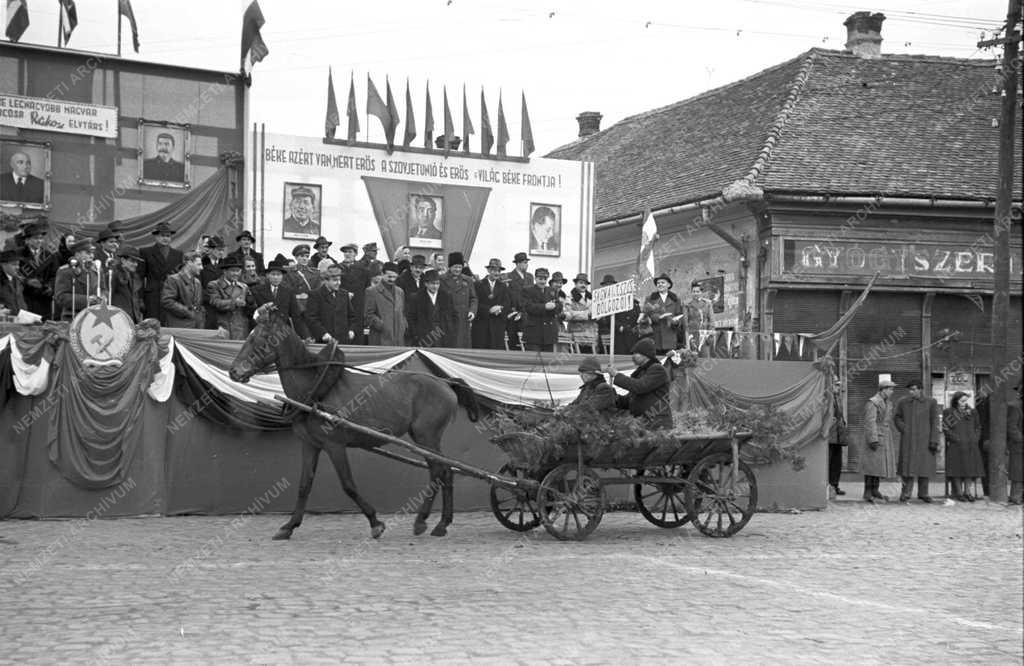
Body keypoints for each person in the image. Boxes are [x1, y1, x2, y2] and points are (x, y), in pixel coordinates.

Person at [607, 338, 672, 429]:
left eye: (636, 353)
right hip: (642, 422)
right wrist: (614, 397)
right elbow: (630, 400)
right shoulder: (640, 372)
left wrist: (616, 375)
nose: (633, 356)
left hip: (657, 423)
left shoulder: (657, 369)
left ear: (645, 355)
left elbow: (640, 387)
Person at [894, 379, 940, 503]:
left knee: (924, 467)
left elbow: (935, 421)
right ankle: (906, 493)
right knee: (907, 467)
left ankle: (923, 493)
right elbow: (897, 417)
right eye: (910, 389)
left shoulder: (931, 402)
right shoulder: (902, 402)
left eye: (914, 389)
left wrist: (934, 440)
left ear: (920, 389)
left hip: (925, 440)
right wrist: (904, 428)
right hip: (908, 440)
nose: (911, 392)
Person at [858, 378, 898, 503]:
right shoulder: (873, 402)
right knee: (872, 466)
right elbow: (870, 422)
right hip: (875, 436)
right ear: (883, 390)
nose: (892, 391)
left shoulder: (888, 403)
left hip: (885, 435)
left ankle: (875, 490)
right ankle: (868, 492)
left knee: (879, 466)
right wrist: (873, 439)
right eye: (890, 389)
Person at [942, 391, 983, 502]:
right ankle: (959, 493)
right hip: (957, 445)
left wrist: (975, 439)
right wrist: (956, 439)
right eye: (962, 401)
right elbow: (946, 428)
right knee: (957, 469)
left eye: (966, 401)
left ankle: (967, 492)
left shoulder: (973, 412)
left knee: (970, 469)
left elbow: (978, 427)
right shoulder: (949, 412)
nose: (964, 403)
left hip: (971, 445)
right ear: (956, 401)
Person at [140, 222, 184, 325]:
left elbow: (180, 278)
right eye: (162, 235)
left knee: (170, 324)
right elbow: (140, 277)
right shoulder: (145, 252)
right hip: (152, 296)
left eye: (168, 236)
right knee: (151, 325)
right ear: (155, 236)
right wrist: (140, 298)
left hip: (171, 296)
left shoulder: (178, 254)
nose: (165, 238)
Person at [305, 263, 357, 344]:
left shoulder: (344, 294)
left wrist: (351, 330)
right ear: (326, 281)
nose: (339, 283)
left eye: (339, 280)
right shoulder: (315, 295)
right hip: (324, 341)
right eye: (335, 280)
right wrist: (323, 333)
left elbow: (351, 316)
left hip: (343, 341)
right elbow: (311, 319)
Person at [53, 238, 103, 321]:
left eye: (92, 253)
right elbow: (61, 297)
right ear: (77, 254)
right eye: (88, 253)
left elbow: (104, 288)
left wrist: (103, 297)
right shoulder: (65, 271)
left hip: (95, 317)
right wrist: (87, 300)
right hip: (73, 317)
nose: (92, 256)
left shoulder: (97, 269)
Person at [204, 256, 251, 339]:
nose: (236, 273)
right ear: (225, 271)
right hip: (221, 328)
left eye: (238, 271)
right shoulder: (213, 285)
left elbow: (249, 309)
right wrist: (234, 302)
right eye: (233, 271)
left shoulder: (244, 287)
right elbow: (216, 303)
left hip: (239, 330)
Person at [407, 269, 456, 347]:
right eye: (432, 284)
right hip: (424, 337)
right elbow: (411, 318)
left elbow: (453, 315)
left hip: (442, 335)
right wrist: (416, 334)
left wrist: (449, 331)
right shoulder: (416, 297)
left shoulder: (446, 296)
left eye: (437, 284)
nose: (435, 286)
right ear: (426, 284)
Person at [18, 222, 57, 319]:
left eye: (41, 238)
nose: (39, 241)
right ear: (27, 240)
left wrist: (50, 286)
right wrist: (27, 281)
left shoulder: (49, 255)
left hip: (44, 298)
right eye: (36, 238)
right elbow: (14, 274)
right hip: (26, 297)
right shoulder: (19, 255)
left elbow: (55, 275)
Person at [472, 258, 512, 350]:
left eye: (498, 271)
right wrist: (489, 310)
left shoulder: (503, 286)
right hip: (481, 326)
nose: (496, 273)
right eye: (494, 270)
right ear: (488, 270)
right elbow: (475, 303)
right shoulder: (478, 285)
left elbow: (507, 303)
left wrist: (500, 308)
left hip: (497, 326)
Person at [440, 252, 477, 349]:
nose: (457, 269)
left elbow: (473, 298)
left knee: (463, 346)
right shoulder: (441, 279)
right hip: (447, 320)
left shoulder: (468, 280)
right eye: (455, 267)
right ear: (450, 267)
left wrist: (472, 311)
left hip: (464, 319)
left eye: (460, 267)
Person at [364, 262, 406, 346]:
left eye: (394, 277)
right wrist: (383, 326)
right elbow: (368, 315)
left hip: (398, 339)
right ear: (382, 274)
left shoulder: (400, 292)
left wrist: (403, 325)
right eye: (389, 276)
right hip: (381, 338)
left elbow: (402, 312)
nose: (392, 279)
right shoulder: (372, 291)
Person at [161, 252, 205, 329]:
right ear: (189, 263)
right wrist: (188, 312)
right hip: (179, 327)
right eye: (199, 264)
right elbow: (167, 301)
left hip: (196, 327)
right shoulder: (173, 279)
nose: (202, 268)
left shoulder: (197, 282)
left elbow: (198, 306)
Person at [521, 267, 561, 352]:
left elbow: (559, 306)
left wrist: (554, 306)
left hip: (549, 333)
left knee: (547, 361)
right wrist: (544, 307)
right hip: (534, 333)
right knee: (534, 361)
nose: (543, 281)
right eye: (540, 279)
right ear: (535, 278)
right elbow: (528, 307)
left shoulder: (552, 291)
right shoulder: (527, 290)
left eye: (545, 279)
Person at [642, 273, 682, 354]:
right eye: (658, 283)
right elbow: (646, 315)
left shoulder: (676, 299)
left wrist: (676, 322)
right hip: (655, 337)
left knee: (670, 362)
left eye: (663, 282)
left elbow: (679, 315)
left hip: (670, 336)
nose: (660, 284)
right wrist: (658, 317)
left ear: (668, 285)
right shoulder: (650, 298)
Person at [109, 245, 145, 323]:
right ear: (123, 260)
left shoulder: (134, 276)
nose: (136, 264)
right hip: (118, 319)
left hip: (132, 320)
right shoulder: (113, 275)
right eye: (132, 261)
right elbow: (108, 298)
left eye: (136, 262)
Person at [504, 252, 533, 348]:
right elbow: (510, 296)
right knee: (514, 340)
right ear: (517, 263)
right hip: (514, 311)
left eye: (526, 262)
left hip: (527, 311)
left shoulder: (529, 277)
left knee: (527, 340)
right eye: (524, 262)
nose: (526, 265)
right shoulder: (509, 276)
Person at [827, 377, 849, 496]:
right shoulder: (826, 398)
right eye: (836, 385)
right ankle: (827, 487)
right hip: (829, 435)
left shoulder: (838, 398)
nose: (838, 387)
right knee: (828, 462)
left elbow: (841, 416)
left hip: (838, 435)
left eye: (839, 385)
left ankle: (835, 486)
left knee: (837, 462)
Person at [1008, 384, 1023, 505]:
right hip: (1019, 445)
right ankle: (1015, 496)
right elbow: (1012, 428)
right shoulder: (1015, 406)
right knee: (1018, 472)